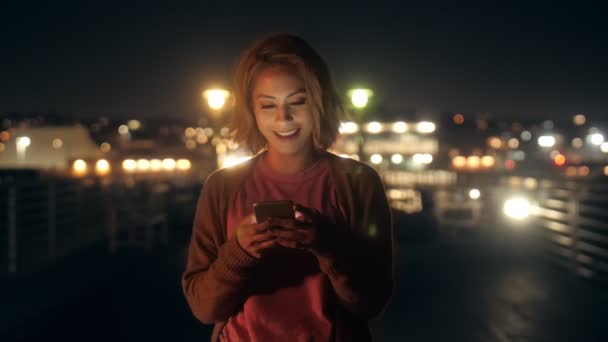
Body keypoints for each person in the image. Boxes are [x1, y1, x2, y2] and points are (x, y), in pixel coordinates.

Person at [182, 33, 394, 342]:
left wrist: (327, 245)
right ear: (251, 112)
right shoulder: (223, 187)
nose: (284, 118)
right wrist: (238, 252)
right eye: (268, 105)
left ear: (320, 101)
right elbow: (203, 308)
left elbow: (370, 302)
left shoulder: (357, 182)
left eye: (297, 101)